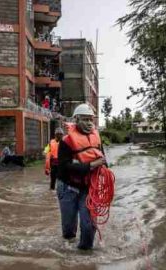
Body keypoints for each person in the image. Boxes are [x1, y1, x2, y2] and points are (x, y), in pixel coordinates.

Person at [57, 103, 106, 250]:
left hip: (88, 187)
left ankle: (85, 255)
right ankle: (68, 254)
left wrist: (104, 173)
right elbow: (65, 166)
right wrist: (91, 165)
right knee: (69, 230)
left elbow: (103, 160)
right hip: (68, 187)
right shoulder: (66, 142)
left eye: (91, 119)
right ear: (76, 120)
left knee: (89, 225)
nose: (89, 123)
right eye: (85, 119)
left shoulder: (96, 138)